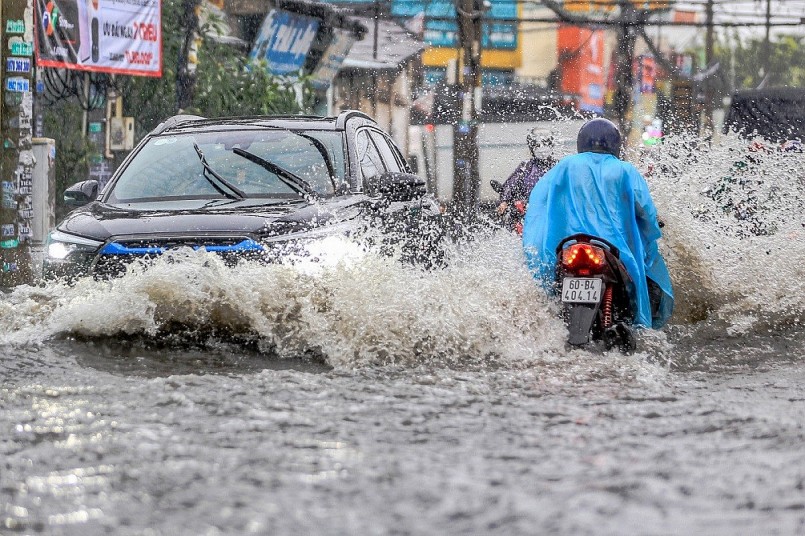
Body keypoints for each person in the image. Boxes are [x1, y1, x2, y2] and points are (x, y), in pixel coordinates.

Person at [522, 117, 674, 329]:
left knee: (551, 294)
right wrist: (653, 227)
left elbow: (539, 201)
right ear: (615, 144)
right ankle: (636, 326)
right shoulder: (625, 170)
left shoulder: (565, 166)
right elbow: (645, 211)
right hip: (614, 250)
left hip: (568, 246)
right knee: (643, 280)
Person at [496, 128, 560, 228]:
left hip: (554, 214)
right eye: (537, 145)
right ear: (531, 148)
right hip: (527, 215)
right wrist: (504, 201)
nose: (542, 149)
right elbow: (510, 184)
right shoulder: (526, 167)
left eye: (545, 144)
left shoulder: (560, 166)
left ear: (551, 146)